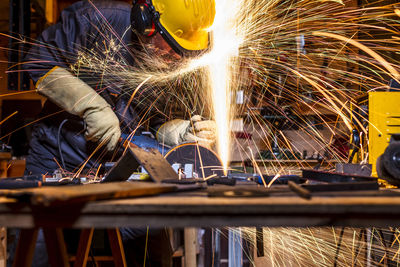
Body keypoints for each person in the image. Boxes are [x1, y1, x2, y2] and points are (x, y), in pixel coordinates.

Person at [16, 0, 217, 266]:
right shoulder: (96, 19)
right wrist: (88, 105)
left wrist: (176, 131)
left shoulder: (174, 62)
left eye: (183, 52)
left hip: (125, 166)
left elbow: (153, 119)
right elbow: (38, 59)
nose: (176, 58)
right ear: (146, 22)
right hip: (58, 154)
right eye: (171, 45)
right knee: (35, 248)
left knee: (150, 248)